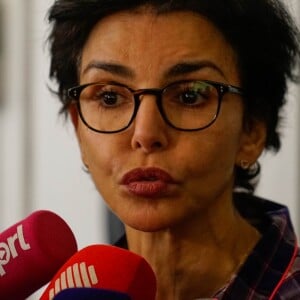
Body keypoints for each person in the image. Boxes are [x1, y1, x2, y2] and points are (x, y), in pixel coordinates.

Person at [47, 0, 300, 299]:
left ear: (252, 130)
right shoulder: (82, 289)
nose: (145, 134)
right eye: (110, 97)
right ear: (79, 128)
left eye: (190, 96)